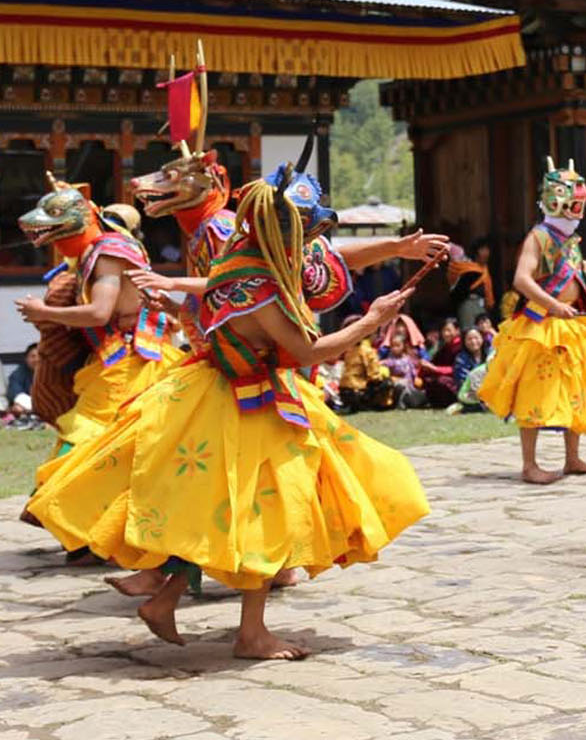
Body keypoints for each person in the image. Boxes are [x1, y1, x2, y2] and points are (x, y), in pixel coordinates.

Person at [27, 171, 429, 660]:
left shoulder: (235, 261)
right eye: (307, 233)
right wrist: (373, 319)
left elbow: (326, 260)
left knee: (210, 509)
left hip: (209, 394)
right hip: (249, 403)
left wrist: (395, 248)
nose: (312, 244)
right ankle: (252, 634)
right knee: (265, 509)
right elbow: (306, 350)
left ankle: (166, 600)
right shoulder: (259, 289)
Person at [480, 159, 586, 484]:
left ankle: (572, 457)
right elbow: (522, 280)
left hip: (569, 323)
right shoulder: (539, 237)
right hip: (541, 325)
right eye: (574, 204)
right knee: (536, 392)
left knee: (574, 390)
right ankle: (529, 465)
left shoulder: (569, 241)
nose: (578, 211)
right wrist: (553, 305)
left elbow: (578, 271)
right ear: (558, 201)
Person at [14, 174, 183, 469]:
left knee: (88, 426)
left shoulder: (108, 252)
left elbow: (99, 312)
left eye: (55, 217)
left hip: (134, 356)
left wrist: (45, 313)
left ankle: (57, 494)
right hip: (114, 353)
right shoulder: (95, 251)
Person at [447, 326, 494, 414]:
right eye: (469, 339)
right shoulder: (461, 359)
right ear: (464, 342)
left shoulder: (490, 354)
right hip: (470, 393)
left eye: (476, 338)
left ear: (482, 338)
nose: (473, 342)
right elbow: (463, 382)